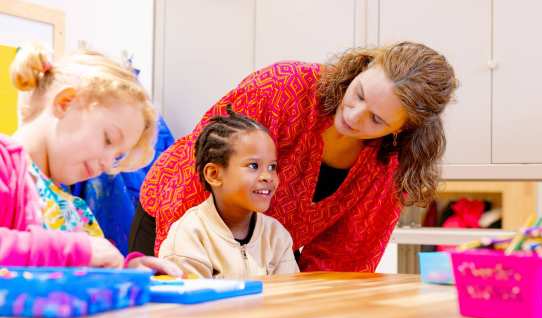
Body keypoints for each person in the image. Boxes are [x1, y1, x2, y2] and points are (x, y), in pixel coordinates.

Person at [133, 42, 457, 272]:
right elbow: (203, 167)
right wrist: (184, 266)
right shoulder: (282, 89)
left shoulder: (390, 165)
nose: (354, 116)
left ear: (402, 130)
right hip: (177, 215)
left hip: (260, 253)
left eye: (377, 120)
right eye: (358, 94)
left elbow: (345, 261)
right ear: (363, 67)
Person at [0, 44, 181, 275]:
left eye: (116, 156)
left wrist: (125, 269)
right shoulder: (5, 163)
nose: (107, 164)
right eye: (108, 139)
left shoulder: (72, 205)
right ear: (65, 103)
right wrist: (78, 251)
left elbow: (83, 266)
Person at [158, 106, 299, 278]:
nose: (267, 176)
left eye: (272, 167)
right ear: (214, 174)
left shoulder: (276, 236)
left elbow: (290, 297)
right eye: (253, 165)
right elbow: (190, 301)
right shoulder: (190, 234)